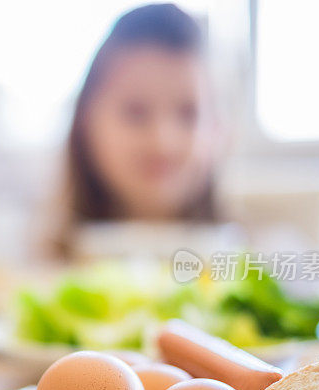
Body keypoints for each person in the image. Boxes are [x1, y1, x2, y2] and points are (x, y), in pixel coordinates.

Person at [50, 3, 220, 257]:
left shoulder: (260, 259)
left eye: (189, 114)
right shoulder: (35, 266)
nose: (163, 141)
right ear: (86, 122)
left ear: (218, 128)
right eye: (136, 112)